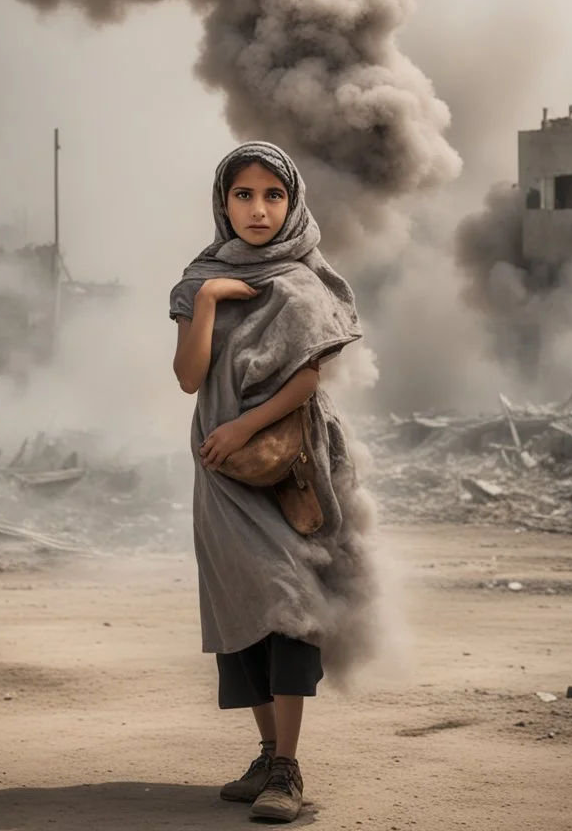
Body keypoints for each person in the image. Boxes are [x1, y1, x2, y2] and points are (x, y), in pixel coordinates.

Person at [169, 141, 376, 823]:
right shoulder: (200, 278)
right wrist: (207, 302)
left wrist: (241, 427)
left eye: (273, 195)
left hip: (287, 464)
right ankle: (264, 754)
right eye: (244, 195)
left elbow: (307, 380)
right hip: (220, 473)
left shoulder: (304, 279)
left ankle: (288, 768)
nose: (259, 209)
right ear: (223, 203)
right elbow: (189, 377)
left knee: (288, 602)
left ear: (292, 203)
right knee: (240, 610)